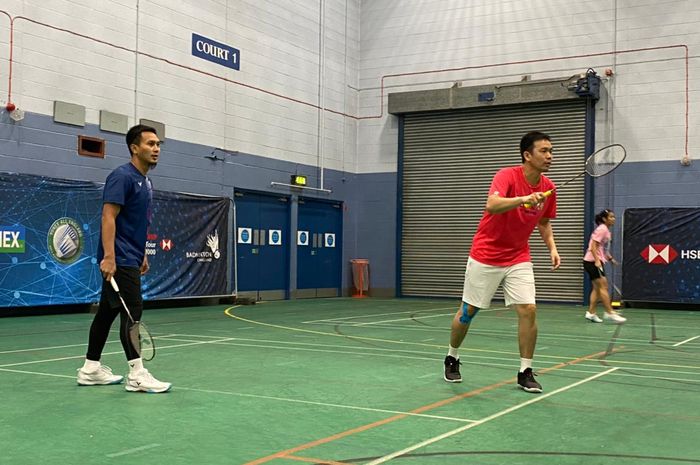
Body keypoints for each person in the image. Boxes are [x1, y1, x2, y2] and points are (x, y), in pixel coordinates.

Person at [443, 131, 561, 394]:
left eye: (551, 151)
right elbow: (492, 204)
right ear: (527, 155)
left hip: (518, 256)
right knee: (467, 313)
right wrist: (523, 199)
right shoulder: (507, 176)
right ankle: (452, 356)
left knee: (528, 309)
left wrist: (552, 248)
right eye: (544, 151)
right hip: (486, 254)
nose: (550, 156)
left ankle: (525, 371)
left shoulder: (549, 187)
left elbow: (544, 222)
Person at [76, 124, 171, 393]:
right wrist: (109, 256)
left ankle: (90, 368)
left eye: (158, 145)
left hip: (131, 255)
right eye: (150, 144)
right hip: (118, 258)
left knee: (107, 313)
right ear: (134, 147)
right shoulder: (122, 176)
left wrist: (141, 253)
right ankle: (137, 374)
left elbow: (138, 222)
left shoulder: (145, 181)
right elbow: (109, 216)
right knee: (133, 314)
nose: (156, 149)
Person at [583, 209, 626, 324]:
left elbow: (602, 247)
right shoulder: (602, 229)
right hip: (592, 262)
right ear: (604, 219)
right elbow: (592, 247)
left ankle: (591, 313)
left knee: (597, 289)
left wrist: (610, 258)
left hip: (594, 261)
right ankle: (609, 312)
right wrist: (597, 261)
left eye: (614, 217)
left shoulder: (606, 230)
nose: (613, 219)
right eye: (611, 217)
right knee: (603, 286)